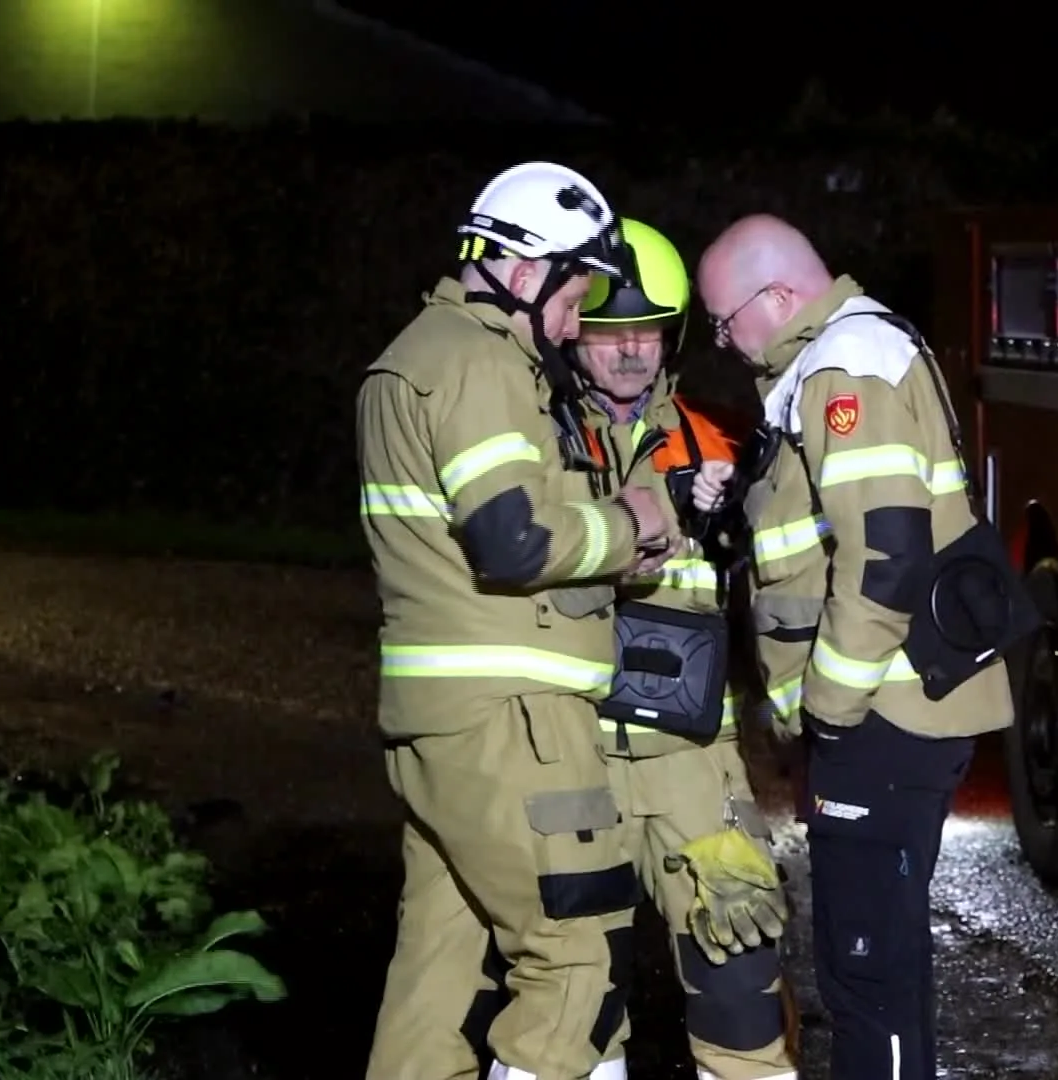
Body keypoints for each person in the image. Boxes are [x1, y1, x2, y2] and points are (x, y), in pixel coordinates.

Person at [358, 161, 671, 1080]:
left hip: (437, 729)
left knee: (436, 983)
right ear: (528, 273)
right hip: (511, 725)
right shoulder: (481, 357)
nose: (579, 323)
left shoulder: (408, 355)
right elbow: (512, 540)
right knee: (579, 963)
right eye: (577, 293)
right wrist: (632, 526)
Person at [695, 214, 1017, 1080]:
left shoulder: (844, 367)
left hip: (882, 717)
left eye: (725, 322)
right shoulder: (835, 360)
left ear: (779, 296)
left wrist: (827, 714)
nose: (724, 344)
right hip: (892, 711)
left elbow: (883, 558)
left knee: (868, 977)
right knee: (877, 971)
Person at [567, 217, 798, 1080]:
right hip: (569, 764)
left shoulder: (721, 445)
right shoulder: (540, 443)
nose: (629, 353)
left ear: (675, 338)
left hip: (697, 766)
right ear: (571, 331)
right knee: (573, 1008)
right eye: (607, 331)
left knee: (743, 982)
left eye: (648, 331)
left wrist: (737, 514)